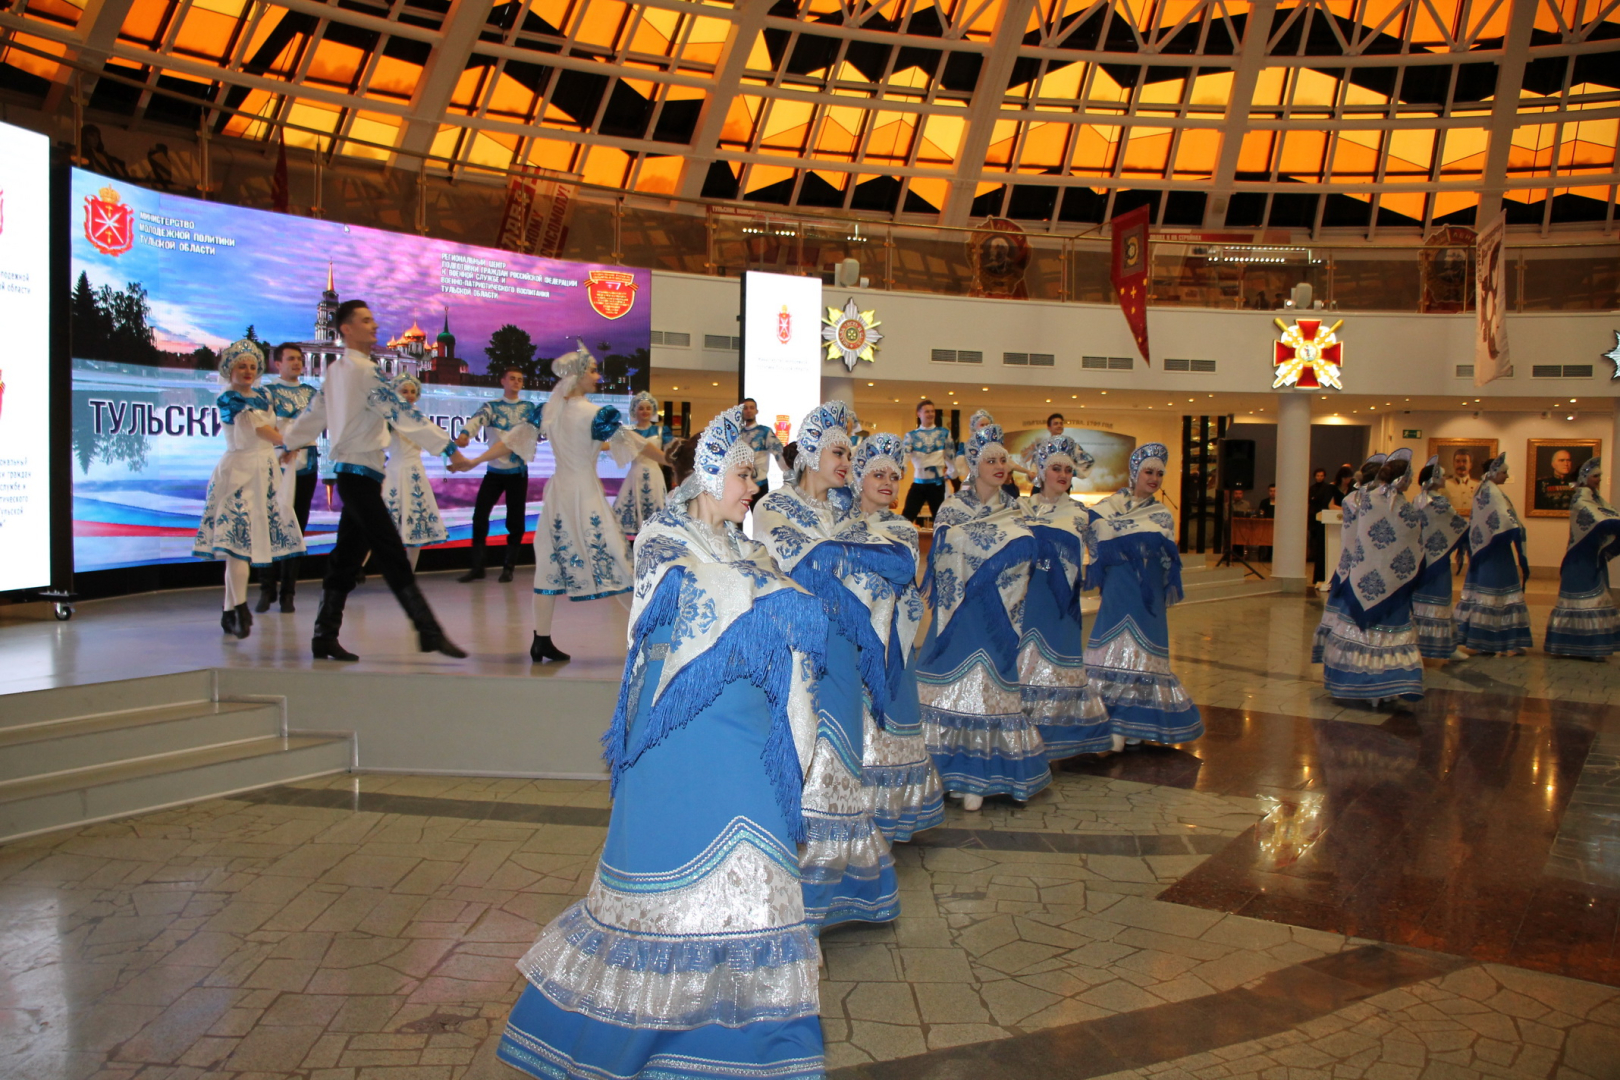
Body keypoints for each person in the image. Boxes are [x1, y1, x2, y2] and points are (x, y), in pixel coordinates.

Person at [497, 406, 827, 1080]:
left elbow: (775, 597)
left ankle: (757, 1048)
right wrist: (772, 596)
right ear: (707, 474)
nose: (752, 489)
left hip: (747, 738)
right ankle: (650, 1041)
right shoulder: (661, 539)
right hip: (683, 739)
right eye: (742, 475)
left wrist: (773, 595)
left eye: (754, 477)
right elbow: (708, 598)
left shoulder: (746, 550)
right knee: (674, 885)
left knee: (762, 875)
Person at [754, 402, 901, 929]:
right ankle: (791, 900)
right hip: (792, 649)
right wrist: (846, 558)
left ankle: (828, 892)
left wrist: (847, 557)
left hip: (842, 649)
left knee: (841, 761)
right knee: (801, 757)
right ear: (811, 453)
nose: (847, 463)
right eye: (839, 452)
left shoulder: (846, 513)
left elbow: (890, 561)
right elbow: (800, 563)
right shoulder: (773, 507)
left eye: (850, 455)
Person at [282, 300, 472, 661]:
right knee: (388, 549)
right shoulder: (363, 372)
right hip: (358, 474)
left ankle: (324, 635)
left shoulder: (337, 372)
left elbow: (314, 414)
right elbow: (400, 412)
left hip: (358, 474)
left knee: (347, 556)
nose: (374, 325)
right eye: (365, 320)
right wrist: (448, 448)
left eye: (372, 319)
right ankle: (428, 629)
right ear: (346, 329)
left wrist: (291, 442)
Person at [917, 423, 1050, 811]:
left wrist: (983, 558)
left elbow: (1025, 551)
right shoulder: (952, 507)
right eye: (990, 460)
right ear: (974, 466)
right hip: (959, 612)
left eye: (1002, 460)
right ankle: (942, 773)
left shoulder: (1015, 509)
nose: (999, 466)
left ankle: (980, 777)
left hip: (998, 612)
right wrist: (988, 555)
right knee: (951, 683)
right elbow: (944, 552)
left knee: (989, 684)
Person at [846, 433, 943, 841]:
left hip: (889, 639)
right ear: (858, 477)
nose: (888, 482)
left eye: (894, 476)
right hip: (846, 636)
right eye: (878, 474)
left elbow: (898, 574)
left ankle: (886, 812)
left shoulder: (902, 528)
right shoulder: (835, 521)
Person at [528, 342, 642, 663]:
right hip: (584, 493)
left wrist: (471, 460)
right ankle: (650, 636)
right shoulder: (595, 414)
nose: (597, 376)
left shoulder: (549, 411)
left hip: (558, 493)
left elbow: (513, 441)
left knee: (549, 563)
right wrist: (673, 458)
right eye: (592, 370)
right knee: (615, 557)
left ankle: (541, 640)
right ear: (577, 376)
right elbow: (633, 444)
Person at [1083, 443, 1202, 749]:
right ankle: (1110, 720)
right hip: (1118, 588)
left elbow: (1164, 555)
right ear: (1134, 472)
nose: (1154, 478)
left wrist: (1120, 537)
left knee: (1144, 652)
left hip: (1147, 594)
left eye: (1159, 474)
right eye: (1149, 472)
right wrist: (1127, 538)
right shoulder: (1108, 506)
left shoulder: (1161, 514)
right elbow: (1094, 533)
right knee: (1111, 646)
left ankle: (1135, 722)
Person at [193, 339, 305, 639]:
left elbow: (273, 428)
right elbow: (259, 429)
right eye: (241, 366)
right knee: (237, 545)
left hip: (265, 473)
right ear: (229, 369)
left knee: (242, 546)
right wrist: (287, 442)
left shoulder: (263, 395)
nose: (247, 371)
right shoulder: (228, 398)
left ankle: (229, 610)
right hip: (239, 472)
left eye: (252, 366)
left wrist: (286, 447)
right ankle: (239, 607)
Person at [1019, 435, 1112, 761]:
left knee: (1059, 661)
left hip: (1060, 605)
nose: (1062, 475)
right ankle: (1024, 735)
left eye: (1068, 470)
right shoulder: (1019, 508)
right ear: (1041, 471)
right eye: (1056, 468)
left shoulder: (1080, 514)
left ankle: (1061, 737)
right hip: (1026, 600)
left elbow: (1105, 547)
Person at [1315, 449, 1426, 704]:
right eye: (1409, 476)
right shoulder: (1400, 506)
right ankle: (1384, 685)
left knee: (1358, 630)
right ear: (1401, 478)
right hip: (1391, 582)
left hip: (1360, 577)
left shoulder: (1362, 499)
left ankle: (1363, 683)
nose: (1411, 481)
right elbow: (1413, 539)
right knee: (1388, 632)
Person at [454, 368, 541, 583]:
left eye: (520, 379)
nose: (516, 382)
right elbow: (476, 421)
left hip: (517, 473)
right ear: (502, 381)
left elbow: (540, 429)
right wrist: (465, 434)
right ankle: (478, 567)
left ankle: (509, 567)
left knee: (515, 520)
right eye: (512, 378)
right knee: (480, 516)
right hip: (494, 472)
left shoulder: (529, 409)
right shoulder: (491, 407)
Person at [256, 343, 319, 613]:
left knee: (297, 526)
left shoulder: (312, 394)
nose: (297, 363)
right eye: (291, 358)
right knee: (270, 524)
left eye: (299, 359)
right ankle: (266, 587)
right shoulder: (266, 392)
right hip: (276, 463)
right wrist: (284, 445)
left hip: (305, 463)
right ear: (278, 364)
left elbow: (318, 424)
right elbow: (261, 426)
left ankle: (288, 592)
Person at [1453, 453, 1532, 656]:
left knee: (1486, 594)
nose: (1507, 476)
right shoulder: (1491, 491)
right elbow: (1504, 520)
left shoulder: (1483, 488)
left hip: (1488, 550)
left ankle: (1486, 640)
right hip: (1495, 552)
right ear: (1494, 472)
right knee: (1496, 594)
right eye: (1504, 472)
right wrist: (1516, 529)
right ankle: (1494, 640)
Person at [1546, 458, 1620, 659]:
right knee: (1584, 601)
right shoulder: (1580, 500)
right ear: (1584, 478)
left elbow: (1610, 516)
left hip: (1592, 556)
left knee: (1596, 599)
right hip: (1579, 559)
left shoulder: (1597, 499)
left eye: (1599, 476)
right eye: (1595, 476)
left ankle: (1592, 646)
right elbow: (1602, 521)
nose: (1599, 479)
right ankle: (1576, 646)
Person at [383, 375, 450, 572]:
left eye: (413, 391)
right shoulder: (390, 417)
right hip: (395, 472)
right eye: (404, 391)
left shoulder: (419, 417)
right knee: (383, 523)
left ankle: (408, 572)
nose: (410, 395)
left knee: (416, 524)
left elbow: (432, 442)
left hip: (415, 473)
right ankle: (358, 569)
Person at [1410, 456, 1470, 661]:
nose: (1445, 478)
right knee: (1440, 599)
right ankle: (1444, 647)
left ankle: (1418, 642)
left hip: (1421, 556)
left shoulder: (1417, 499)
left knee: (1419, 600)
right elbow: (1457, 524)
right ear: (1435, 479)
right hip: (1438, 558)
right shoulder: (1440, 502)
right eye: (1443, 476)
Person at [614, 390, 673, 537]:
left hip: (654, 473)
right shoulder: (627, 431)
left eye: (648, 408)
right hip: (635, 472)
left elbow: (671, 451)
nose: (645, 411)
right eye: (641, 408)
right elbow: (615, 448)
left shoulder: (661, 430)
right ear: (634, 411)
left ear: (653, 410)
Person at [900, 399, 952, 522]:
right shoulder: (911, 435)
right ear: (919, 414)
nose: (930, 414)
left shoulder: (943, 433)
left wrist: (952, 471)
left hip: (937, 483)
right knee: (907, 515)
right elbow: (905, 454)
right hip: (919, 482)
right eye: (927, 411)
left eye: (932, 411)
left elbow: (950, 454)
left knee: (940, 519)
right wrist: (901, 468)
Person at [738, 397, 787, 506]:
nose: (748, 410)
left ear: (756, 411)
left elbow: (778, 453)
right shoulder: (737, 434)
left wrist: (789, 472)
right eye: (745, 408)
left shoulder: (765, 432)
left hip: (760, 483)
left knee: (759, 514)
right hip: (740, 483)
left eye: (751, 408)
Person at [1445, 449, 1479, 574]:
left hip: (1471, 526)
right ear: (1453, 463)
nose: (1461, 465)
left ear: (1471, 464)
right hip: (1450, 527)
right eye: (1458, 461)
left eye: (1464, 461)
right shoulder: (1444, 485)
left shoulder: (1478, 485)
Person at [1021, 413, 1065, 497]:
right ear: (1049, 427)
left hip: (1061, 486)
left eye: (1061, 423)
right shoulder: (1042, 445)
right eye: (1056, 423)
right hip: (1041, 485)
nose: (1059, 426)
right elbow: (1034, 463)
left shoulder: (1067, 446)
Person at [1308, 468, 1335, 586]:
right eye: (1317, 475)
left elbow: (1321, 501)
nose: (1319, 477)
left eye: (1321, 475)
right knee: (1314, 541)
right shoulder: (1312, 488)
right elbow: (1311, 500)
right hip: (1314, 517)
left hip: (1323, 517)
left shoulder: (1327, 488)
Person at [1537, 448, 1578, 513]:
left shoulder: (1577, 483)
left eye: (1568, 460)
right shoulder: (1541, 483)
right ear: (1553, 464)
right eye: (1561, 460)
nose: (1566, 464)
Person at [1257, 483, 1277, 562]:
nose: (1272, 493)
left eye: (1274, 491)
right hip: (1266, 525)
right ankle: (1266, 555)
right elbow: (1260, 513)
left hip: (1277, 525)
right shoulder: (1264, 502)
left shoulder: (1282, 502)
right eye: (1271, 491)